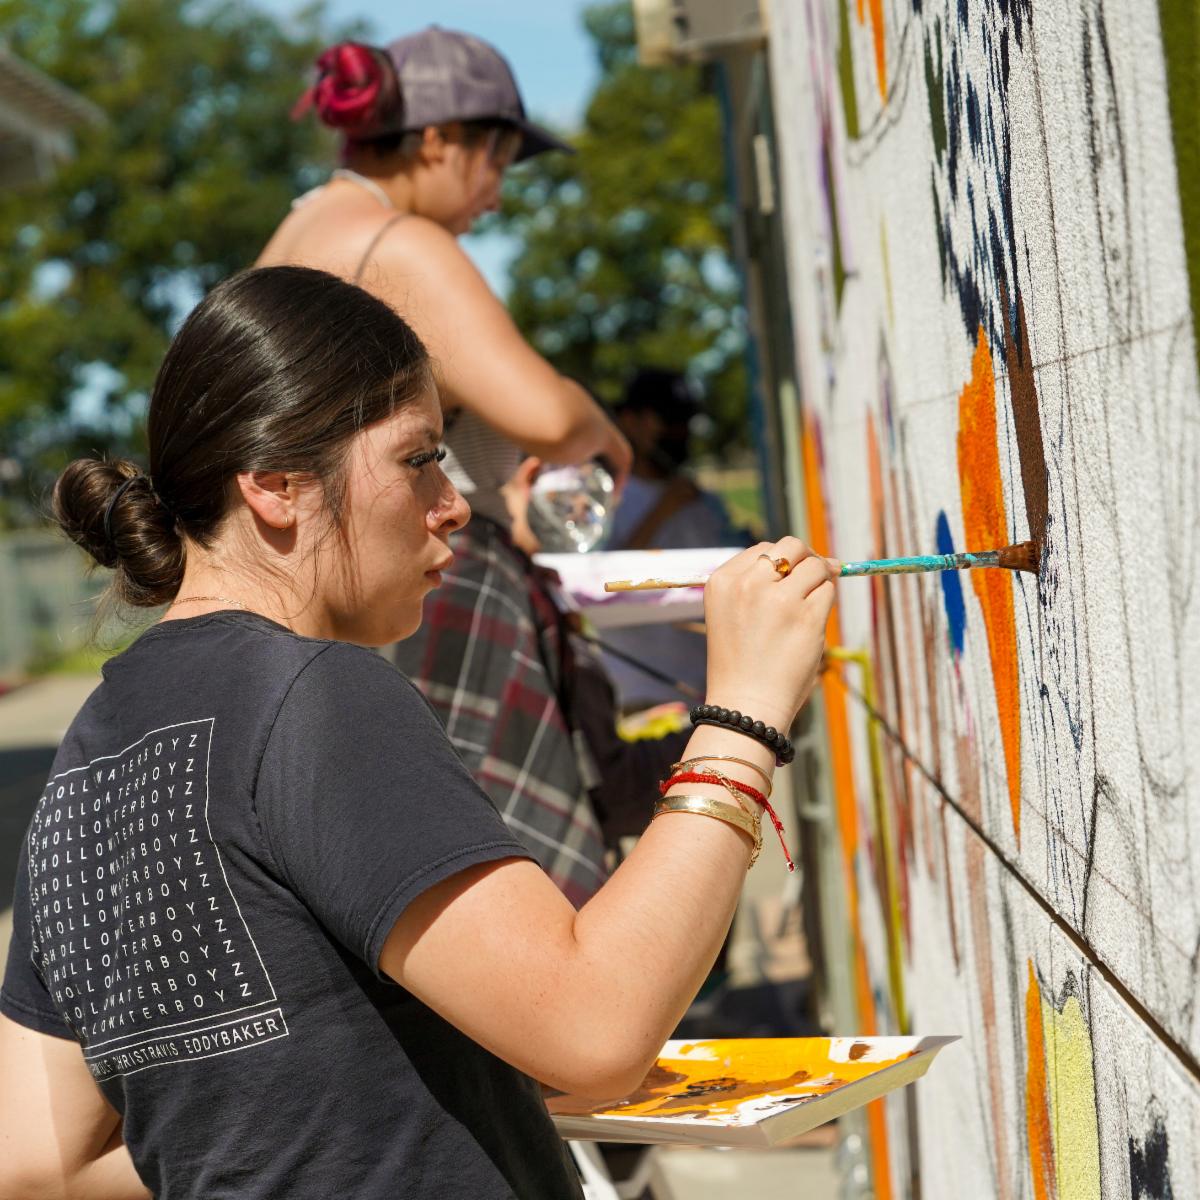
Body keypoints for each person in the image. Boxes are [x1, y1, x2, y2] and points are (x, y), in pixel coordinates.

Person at [0, 266, 835, 1198]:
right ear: (277, 486)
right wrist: (745, 712)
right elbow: (598, 1029)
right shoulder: (315, 696)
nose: (452, 505)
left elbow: (42, 1162)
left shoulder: (92, 749)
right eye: (417, 458)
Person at [257, 27, 635, 904]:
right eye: (497, 159)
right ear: (438, 140)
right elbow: (545, 416)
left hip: (314, 605)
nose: (496, 196)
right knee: (511, 894)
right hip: (428, 601)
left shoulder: (297, 229)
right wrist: (596, 420)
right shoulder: (393, 244)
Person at [602, 368, 753, 708]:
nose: (679, 432)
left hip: (708, 695)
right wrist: (662, 509)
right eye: (667, 421)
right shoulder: (604, 501)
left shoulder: (703, 502)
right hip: (637, 697)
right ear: (630, 420)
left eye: (684, 421)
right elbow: (599, 583)